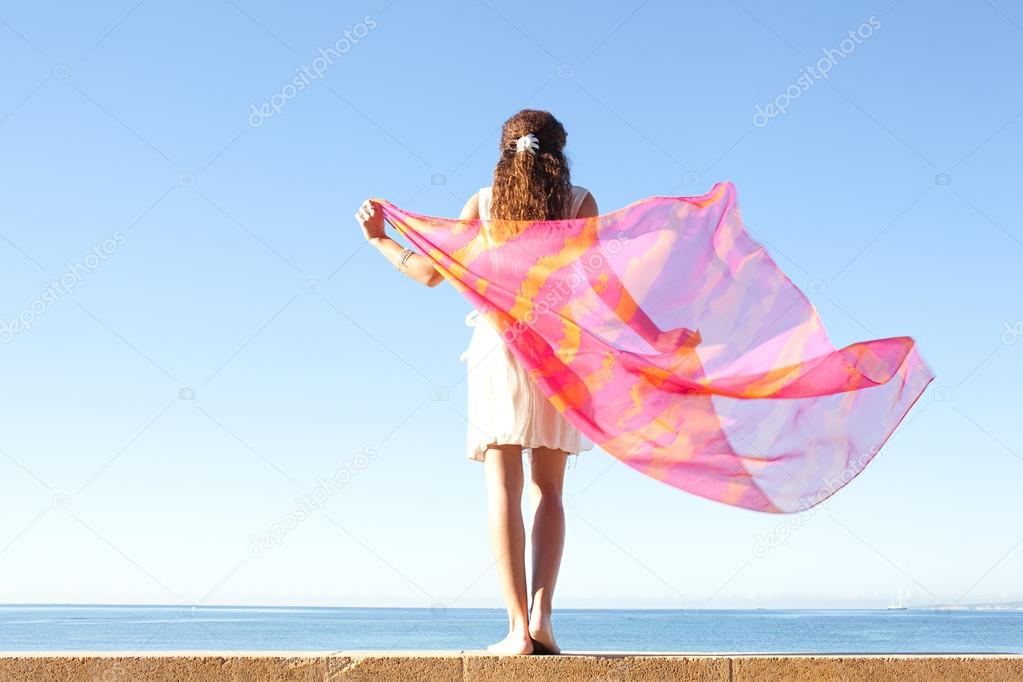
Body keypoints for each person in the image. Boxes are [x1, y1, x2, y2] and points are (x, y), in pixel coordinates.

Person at [355, 109, 598, 655]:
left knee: (503, 488)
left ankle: (515, 630)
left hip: (499, 350)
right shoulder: (580, 202)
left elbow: (429, 273)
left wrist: (379, 240)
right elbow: (602, 289)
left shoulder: (482, 203)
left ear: (504, 150)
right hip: (559, 351)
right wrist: (657, 337)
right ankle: (542, 619)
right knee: (551, 490)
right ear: (560, 153)